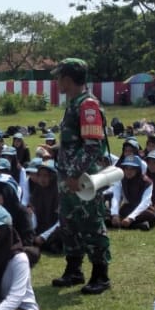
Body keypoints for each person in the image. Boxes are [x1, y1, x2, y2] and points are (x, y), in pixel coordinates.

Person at [50, 58, 112, 295]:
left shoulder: (87, 106)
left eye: (59, 77)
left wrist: (75, 174)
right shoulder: (74, 104)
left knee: (91, 224)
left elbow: (93, 146)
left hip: (84, 180)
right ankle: (74, 270)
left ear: (67, 78)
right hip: (69, 181)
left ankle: (100, 274)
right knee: (70, 224)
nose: (57, 82)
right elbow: (74, 142)